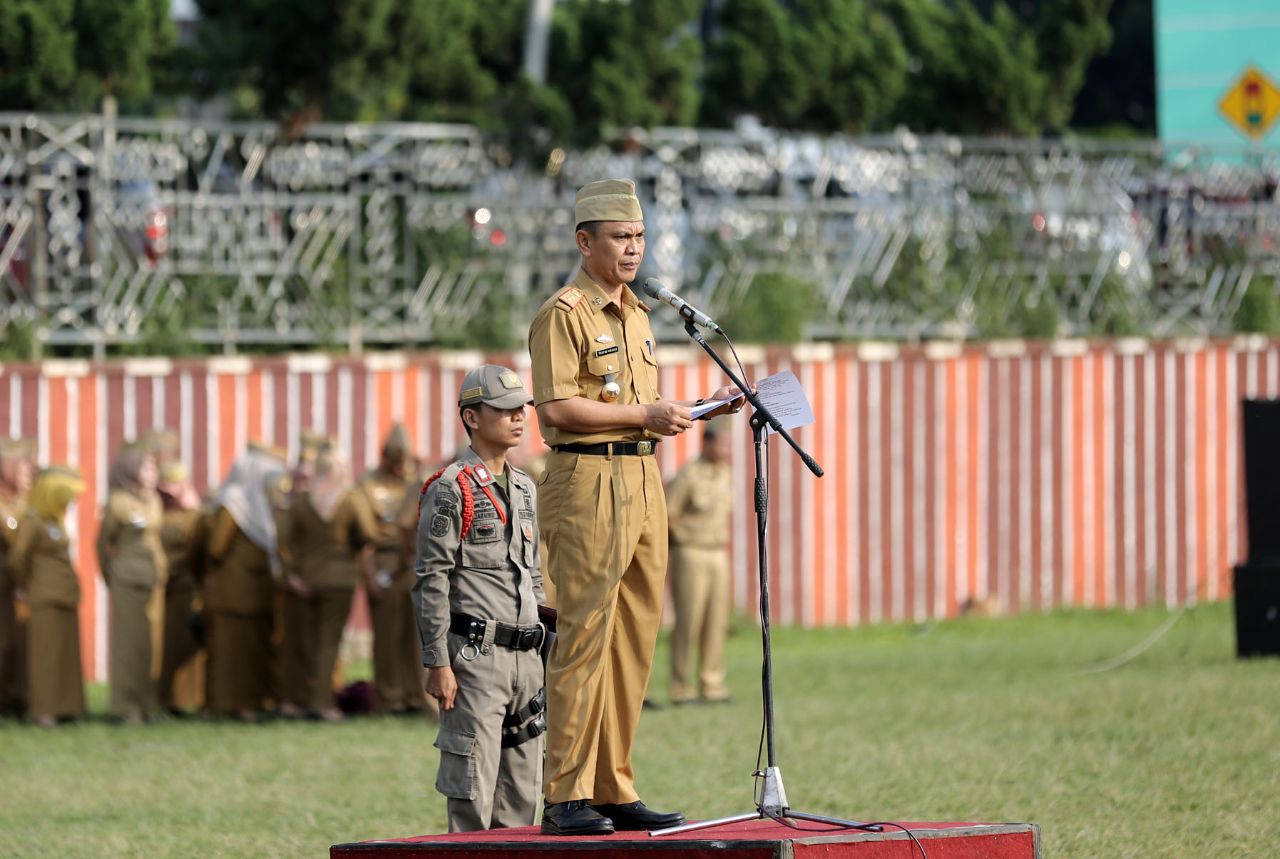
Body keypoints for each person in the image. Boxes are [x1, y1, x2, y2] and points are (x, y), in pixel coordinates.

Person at [527, 178, 743, 835]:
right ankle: (566, 790)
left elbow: (642, 410)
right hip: (587, 481)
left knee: (634, 638)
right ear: (584, 240)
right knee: (585, 634)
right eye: (621, 237)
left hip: (643, 478)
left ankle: (612, 783)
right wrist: (643, 412)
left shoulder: (642, 314)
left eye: (640, 237)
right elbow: (557, 408)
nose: (633, 249)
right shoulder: (563, 313)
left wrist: (698, 408)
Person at [412, 364, 547, 831]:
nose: (518, 417)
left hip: (525, 662)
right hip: (476, 658)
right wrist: (437, 661)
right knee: (472, 793)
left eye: (521, 409)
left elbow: (532, 574)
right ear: (472, 417)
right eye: (505, 409)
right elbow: (431, 578)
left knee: (523, 798)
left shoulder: (526, 487)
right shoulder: (451, 488)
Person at [278, 440, 371, 721]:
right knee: (328, 643)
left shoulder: (302, 501)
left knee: (304, 642)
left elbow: (282, 542)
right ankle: (321, 702)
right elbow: (367, 534)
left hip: (305, 579)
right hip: (339, 581)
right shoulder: (351, 498)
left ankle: (297, 700)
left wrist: (291, 575)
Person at [201, 443, 287, 721]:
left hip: (258, 590)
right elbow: (216, 547)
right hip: (233, 591)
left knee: (253, 648)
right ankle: (227, 703)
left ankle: (253, 700)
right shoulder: (233, 503)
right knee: (231, 648)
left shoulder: (259, 504)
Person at [358, 424, 430, 716]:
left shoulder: (415, 482)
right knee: (387, 635)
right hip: (384, 562)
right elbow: (363, 541)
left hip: (411, 562)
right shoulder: (367, 486)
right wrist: (370, 576)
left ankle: (415, 695)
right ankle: (389, 698)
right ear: (384, 457)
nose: (401, 468)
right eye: (396, 461)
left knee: (415, 636)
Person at [10, 466, 87, 727]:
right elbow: (18, 559)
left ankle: (66, 706)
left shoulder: (55, 520)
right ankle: (43, 710)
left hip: (64, 594)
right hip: (43, 595)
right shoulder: (33, 520)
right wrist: (26, 585)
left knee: (65, 655)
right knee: (45, 655)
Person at [98, 443, 167, 724]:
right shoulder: (117, 503)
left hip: (154, 578)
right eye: (146, 467)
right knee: (129, 644)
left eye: (153, 467)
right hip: (127, 579)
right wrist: (110, 576)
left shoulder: (154, 501)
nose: (152, 473)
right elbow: (103, 544)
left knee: (150, 645)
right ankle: (126, 707)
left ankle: (148, 703)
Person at [667, 418, 735, 705]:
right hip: (691, 553)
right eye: (720, 444)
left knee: (716, 620)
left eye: (728, 445)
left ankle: (712, 683)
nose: (725, 449)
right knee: (688, 621)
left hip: (718, 552)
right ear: (706, 444)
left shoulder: (725, 474)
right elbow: (669, 514)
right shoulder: (688, 475)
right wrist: (682, 539)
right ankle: (682, 687)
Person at [156, 461, 205, 714]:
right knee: (162, 645)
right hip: (161, 588)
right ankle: (163, 697)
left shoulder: (193, 515)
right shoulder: (154, 511)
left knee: (185, 642)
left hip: (186, 588)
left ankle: (185, 698)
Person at [0, 437, 36, 719]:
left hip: (25, 583)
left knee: (24, 642)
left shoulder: (30, 502)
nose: (28, 470)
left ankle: (21, 700)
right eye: (20, 465)